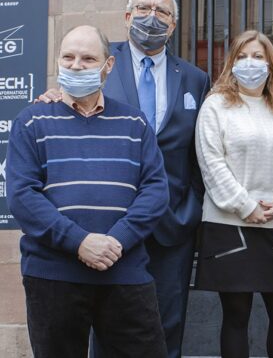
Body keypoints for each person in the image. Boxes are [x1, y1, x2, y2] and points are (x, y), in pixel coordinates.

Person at [38, 0, 210, 358]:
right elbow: (69, 103)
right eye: (144, 8)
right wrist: (53, 95)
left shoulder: (194, 79)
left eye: (162, 11)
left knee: (167, 326)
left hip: (171, 223)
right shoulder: (97, 61)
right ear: (127, 16)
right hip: (109, 225)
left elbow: (201, 150)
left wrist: (191, 204)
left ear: (174, 23)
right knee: (107, 327)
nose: (152, 17)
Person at [6, 25, 169, 358]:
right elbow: (23, 195)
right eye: (68, 57)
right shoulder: (30, 121)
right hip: (54, 274)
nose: (76, 65)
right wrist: (79, 242)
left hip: (124, 271)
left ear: (108, 66)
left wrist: (117, 240)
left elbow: (155, 191)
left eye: (87, 58)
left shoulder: (135, 124)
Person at [194, 30, 273, 358]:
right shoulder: (216, 105)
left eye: (257, 56)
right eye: (242, 57)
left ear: (270, 64)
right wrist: (244, 205)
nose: (250, 63)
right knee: (237, 314)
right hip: (229, 224)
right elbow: (211, 162)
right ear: (231, 63)